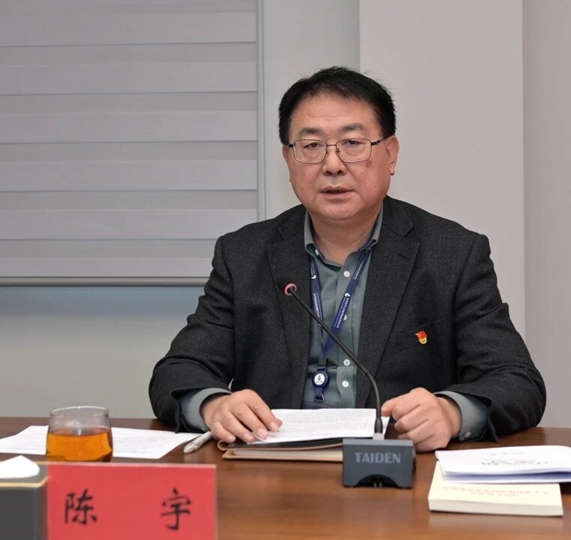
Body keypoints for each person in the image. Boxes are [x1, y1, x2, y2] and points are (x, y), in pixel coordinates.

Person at [149, 66, 545, 452]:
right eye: (311, 146)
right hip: (275, 472)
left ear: (390, 154)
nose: (333, 165)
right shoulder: (243, 254)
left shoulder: (451, 254)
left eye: (353, 143)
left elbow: (517, 380)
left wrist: (451, 412)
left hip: (395, 471)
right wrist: (213, 405)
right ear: (288, 160)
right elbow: (177, 372)